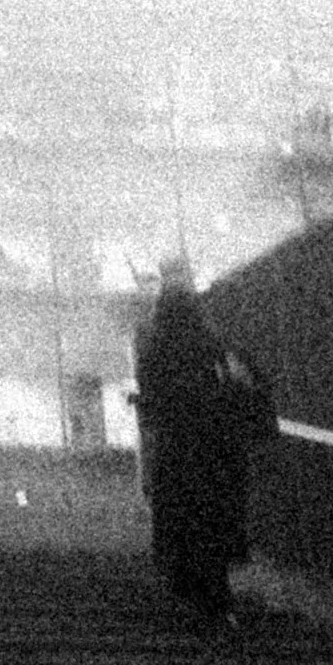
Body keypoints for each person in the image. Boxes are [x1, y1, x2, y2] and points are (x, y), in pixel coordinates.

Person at [133, 257, 271, 624]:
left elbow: (152, 395)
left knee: (182, 525)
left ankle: (189, 595)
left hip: (178, 451)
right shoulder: (213, 343)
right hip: (215, 453)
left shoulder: (155, 342)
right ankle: (215, 600)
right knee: (211, 528)